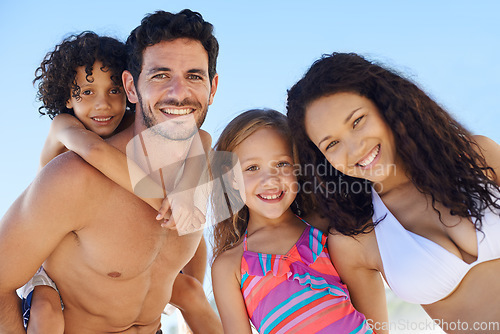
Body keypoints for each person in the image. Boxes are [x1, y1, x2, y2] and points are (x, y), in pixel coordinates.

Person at [0, 9, 222, 334]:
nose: (179, 92)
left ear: (212, 88)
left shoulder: (203, 166)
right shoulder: (74, 177)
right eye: (160, 75)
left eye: (194, 75)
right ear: (131, 86)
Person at [286, 52, 500, 333]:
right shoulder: (356, 241)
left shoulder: (479, 156)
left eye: (357, 121)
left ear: (386, 105)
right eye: (332, 144)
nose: (355, 149)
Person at [211, 109, 374, 333]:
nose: (270, 180)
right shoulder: (229, 266)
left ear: (298, 168)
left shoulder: (325, 228)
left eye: (281, 164)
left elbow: (370, 313)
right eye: (252, 168)